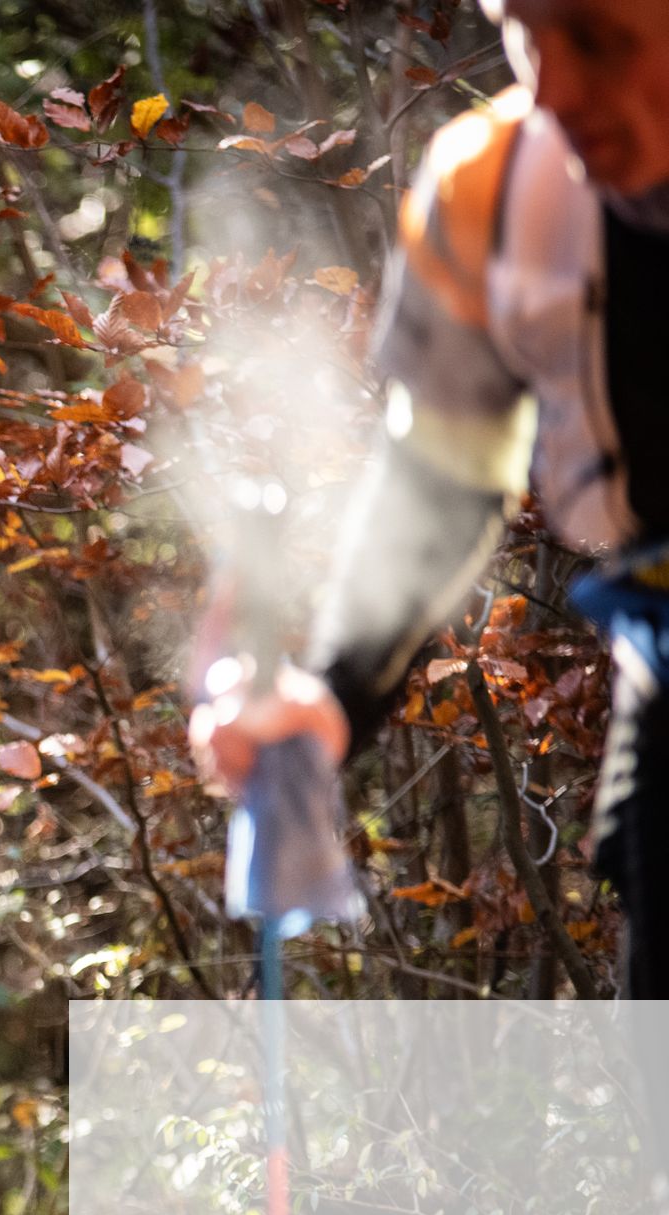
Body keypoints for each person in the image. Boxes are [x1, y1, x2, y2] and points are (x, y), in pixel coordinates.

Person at [191, 0, 669, 994]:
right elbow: (443, 473)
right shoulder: (496, 187)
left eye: (596, 36)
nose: (555, 89)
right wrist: (336, 690)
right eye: (525, 29)